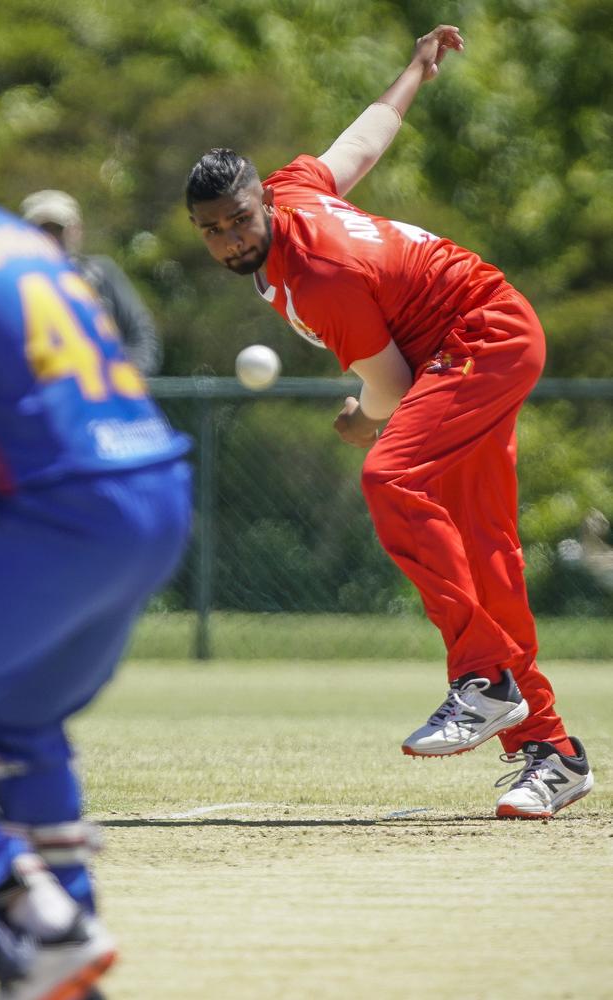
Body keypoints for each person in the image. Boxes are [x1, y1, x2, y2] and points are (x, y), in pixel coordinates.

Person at [185, 24, 594, 820]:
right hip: (471, 346)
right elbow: (364, 141)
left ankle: (483, 678)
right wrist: (415, 68)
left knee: (388, 473)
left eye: (238, 219)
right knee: (487, 556)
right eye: (212, 230)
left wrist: (357, 420)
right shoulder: (297, 190)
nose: (230, 238)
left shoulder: (317, 275)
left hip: (482, 336)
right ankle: (552, 754)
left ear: (263, 200)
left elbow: (390, 386)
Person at [0, 199, 192, 997]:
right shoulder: (11, 236)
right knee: (17, 725)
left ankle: (27, 909)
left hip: (64, 510)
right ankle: (74, 944)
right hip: (159, 490)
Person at [20, 189, 162, 376]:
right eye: (41, 230)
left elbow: (142, 333)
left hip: (103, 395)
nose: (50, 238)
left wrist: (125, 377)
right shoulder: (14, 284)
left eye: (57, 229)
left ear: (77, 230)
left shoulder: (102, 273)